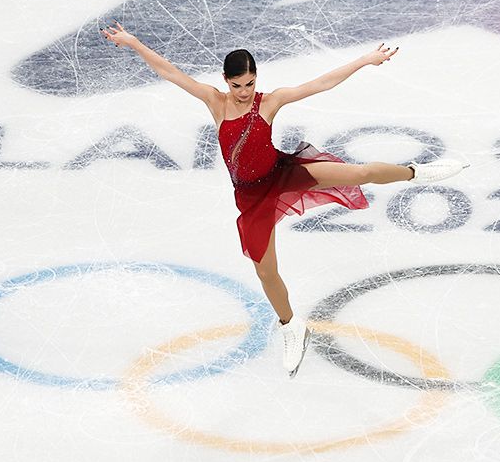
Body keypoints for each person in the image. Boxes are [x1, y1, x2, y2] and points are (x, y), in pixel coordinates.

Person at [99, 23, 465, 375]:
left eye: (250, 83)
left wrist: (364, 60)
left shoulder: (269, 102)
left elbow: (320, 83)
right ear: (226, 80)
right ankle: (292, 325)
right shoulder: (216, 102)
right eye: (237, 85)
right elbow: (170, 73)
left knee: (359, 173)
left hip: (283, 173)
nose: (245, 91)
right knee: (265, 271)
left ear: (256, 78)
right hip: (251, 196)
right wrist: (134, 43)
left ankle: (415, 172)